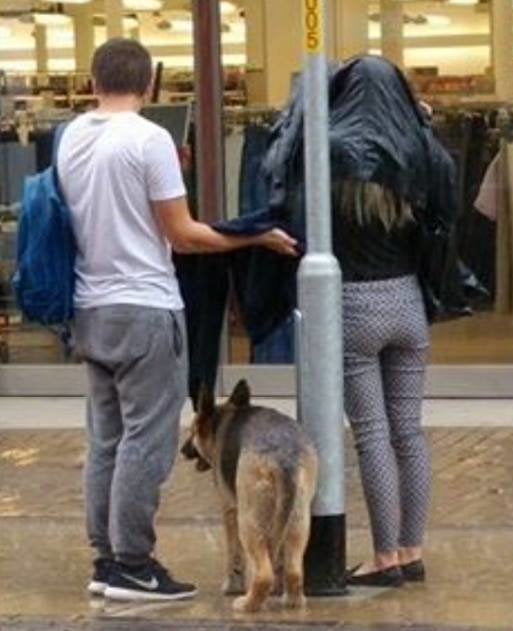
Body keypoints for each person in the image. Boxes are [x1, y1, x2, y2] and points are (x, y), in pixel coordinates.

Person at [57, 38, 297, 602]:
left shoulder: (71, 138)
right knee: (146, 440)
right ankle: (134, 564)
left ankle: (106, 559)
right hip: (144, 307)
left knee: (107, 440)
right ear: (149, 87)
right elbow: (183, 235)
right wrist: (255, 234)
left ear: (94, 82)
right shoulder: (149, 138)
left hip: (92, 307)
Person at [326, 56, 457, 587]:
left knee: (373, 436)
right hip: (407, 302)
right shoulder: (421, 149)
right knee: (410, 433)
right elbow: (446, 216)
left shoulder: (332, 151)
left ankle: (384, 558)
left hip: (355, 305)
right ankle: (412, 549)